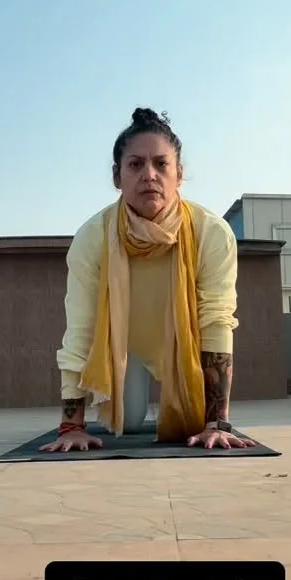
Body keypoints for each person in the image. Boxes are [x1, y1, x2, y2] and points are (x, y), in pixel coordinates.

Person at [41, 107, 254, 453]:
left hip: (186, 346)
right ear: (117, 176)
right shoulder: (92, 237)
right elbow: (80, 330)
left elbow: (216, 321)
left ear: (179, 174)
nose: (149, 175)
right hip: (126, 346)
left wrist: (217, 423)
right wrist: (71, 427)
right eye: (136, 164)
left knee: (193, 425)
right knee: (128, 423)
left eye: (161, 164)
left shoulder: (211, 232)